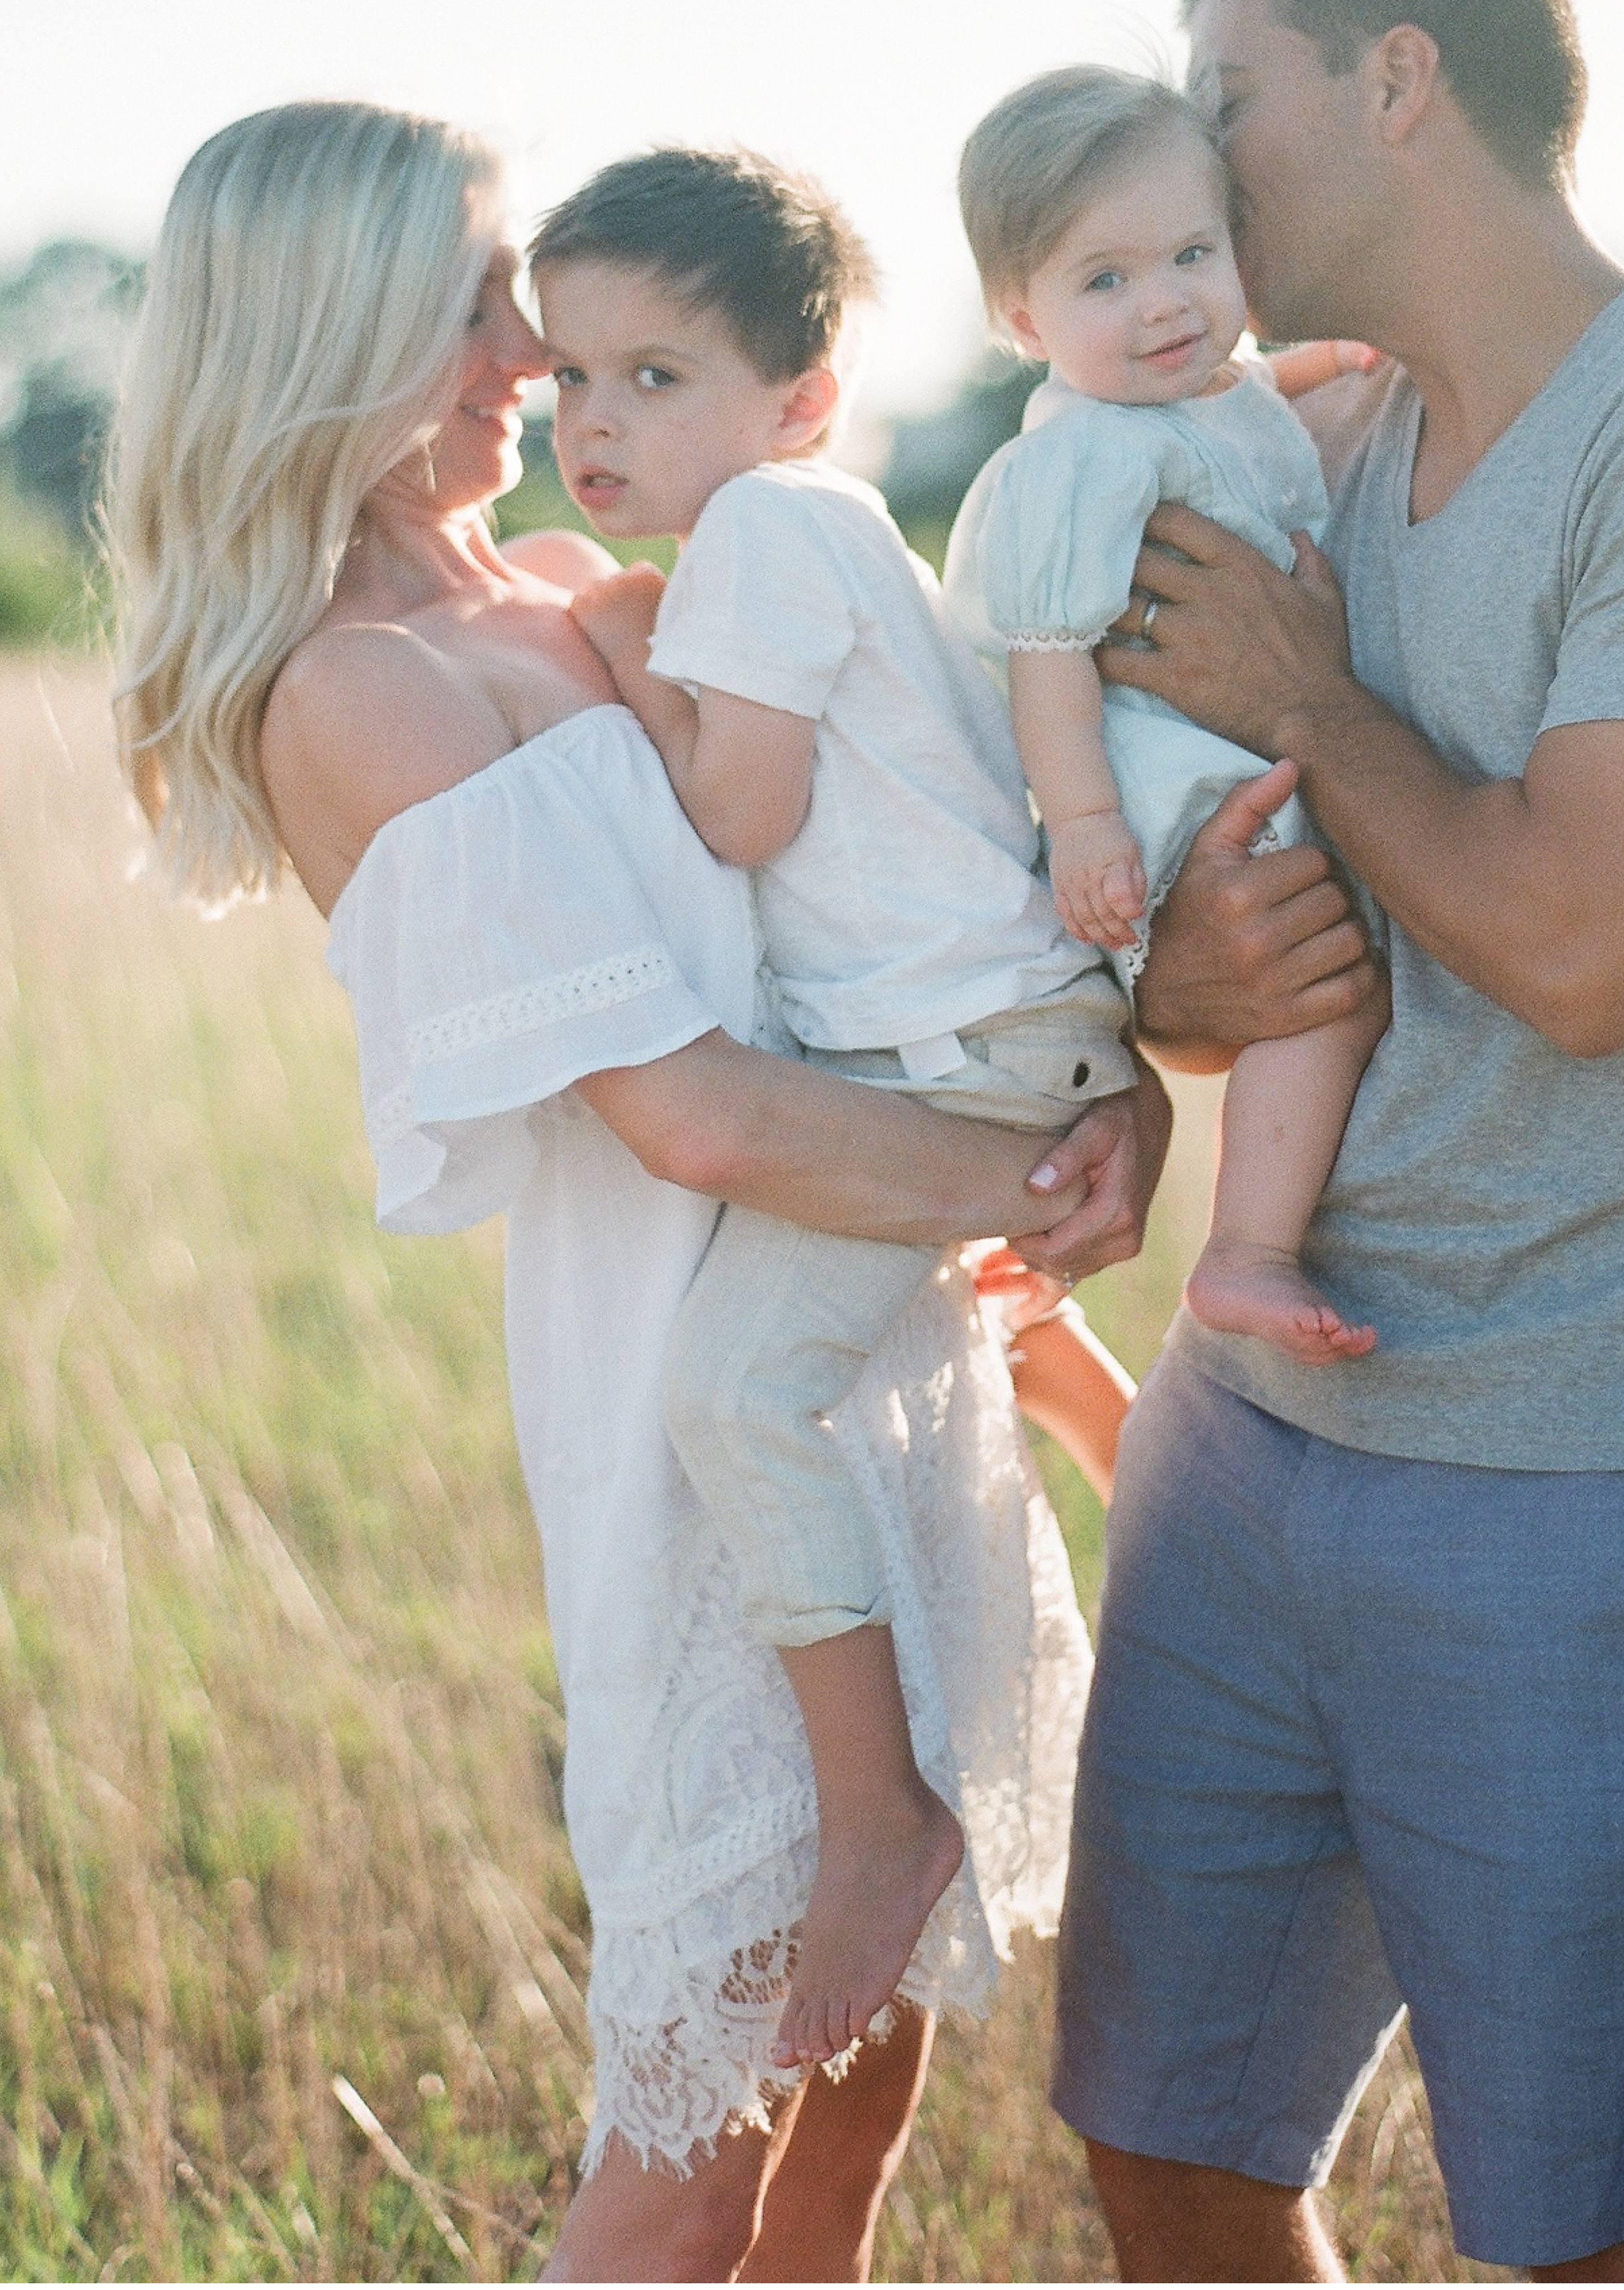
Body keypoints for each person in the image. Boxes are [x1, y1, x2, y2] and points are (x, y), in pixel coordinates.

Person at [104, 98, 1179, 2285]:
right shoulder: (359, 688)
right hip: (695, 1437)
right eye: (484, 300)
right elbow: (691, 1111)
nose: (537, 349)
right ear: (332, 326)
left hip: (878, 1352)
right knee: (697, 2131)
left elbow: (868, 911)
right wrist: (1045, 1158)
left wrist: (1102, 1131)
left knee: (859, 2106)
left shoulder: (604, 592)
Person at [1052, 0, 1624, 2286]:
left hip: (1589, 1475)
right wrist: (1178, 968)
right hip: (1247, 1441)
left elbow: (1586, 947)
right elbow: (1234, 968)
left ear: (1397, 80)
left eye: (1228, 101)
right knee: (1171, 2147)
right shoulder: (1307, 447)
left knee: (1606, 2242)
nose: (1187, 173)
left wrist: (1317, 699)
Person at [527, 142, 1137, 2079]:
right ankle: (1131, 1430)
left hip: (948, 1049)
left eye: (653, 375)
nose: (590, 420)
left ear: (795, 398)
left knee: (733, 1391)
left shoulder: (765, 543)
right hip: (982, 1029)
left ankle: (878, 1811)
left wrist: (620, 654)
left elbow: (742, 811)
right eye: (565, 374)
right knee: (897, 1300)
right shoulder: (813, 527)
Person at [943, 63, 1388, 1365]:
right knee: (1322, 998)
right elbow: (1047, 656)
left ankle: (1251, 1236)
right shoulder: (1078, 457)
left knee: (1332, 983)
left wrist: (1336, 359)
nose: (1165, 304)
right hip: (1163, 790)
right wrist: (1082, 826)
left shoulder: (1210, 390)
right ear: (1022, 317)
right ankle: (1245, 1251)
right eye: (1105, 280)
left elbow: (1249, 410)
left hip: (1236, 744)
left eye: (1194, 253)